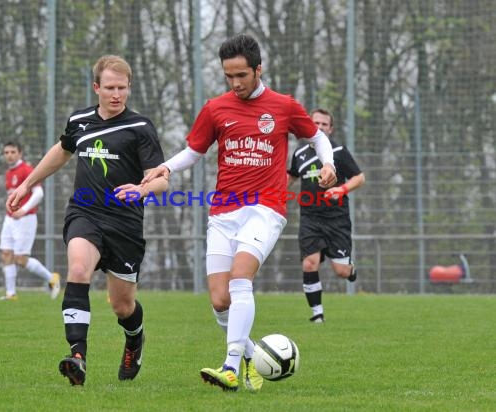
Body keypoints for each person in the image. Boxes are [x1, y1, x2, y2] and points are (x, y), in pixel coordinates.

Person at [142, 34, 337, 392]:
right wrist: (165, 168)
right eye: (228, 76)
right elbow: (194, 151)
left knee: (240, 278)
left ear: (258, 70)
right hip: (223, 210)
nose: (235, 83)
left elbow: (317, 137)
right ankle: (251, 357)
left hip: (266, 208)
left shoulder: (283, 106)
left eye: (241, 76)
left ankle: (229, 366)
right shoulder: (216, 108)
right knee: (219, 300)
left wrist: (329, 164)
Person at [6, 55, 168, 386]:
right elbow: (62, 151)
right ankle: (77, 356)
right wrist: (26, 183)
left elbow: (162, 180)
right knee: (77, 269)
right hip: (85, 213)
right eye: (109, 87)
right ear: (96, 87)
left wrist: (141, 189)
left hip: (124, 224)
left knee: (122, 305)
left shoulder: (140, 128)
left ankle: (135, 339)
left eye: (122, 88)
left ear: (129, 88)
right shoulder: (80, 120)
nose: (116, 94)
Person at [287, 108, 365, 323]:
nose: (319, 127)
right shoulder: (300, 154)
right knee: (309, 263)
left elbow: (359, 178)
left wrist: (341, 189)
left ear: (331, 129)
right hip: (310, 218)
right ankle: (317, 314)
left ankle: (350, 270)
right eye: (316, 123)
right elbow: (290, 177)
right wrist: (273, 196)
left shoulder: (338, 151)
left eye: (324, 124)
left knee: (340, 271)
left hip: (336, 219)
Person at [0, 141, 61, 301]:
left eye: (13, 152)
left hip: (26, 219)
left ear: (20, 153)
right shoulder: (9, 172)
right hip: (10, 219)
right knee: (6, 254)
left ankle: (52, 279)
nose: (9, 155)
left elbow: (39, 193)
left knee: (20, 259)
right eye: (6, 152)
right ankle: (11, 294)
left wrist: (24, 210)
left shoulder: (26, 169)